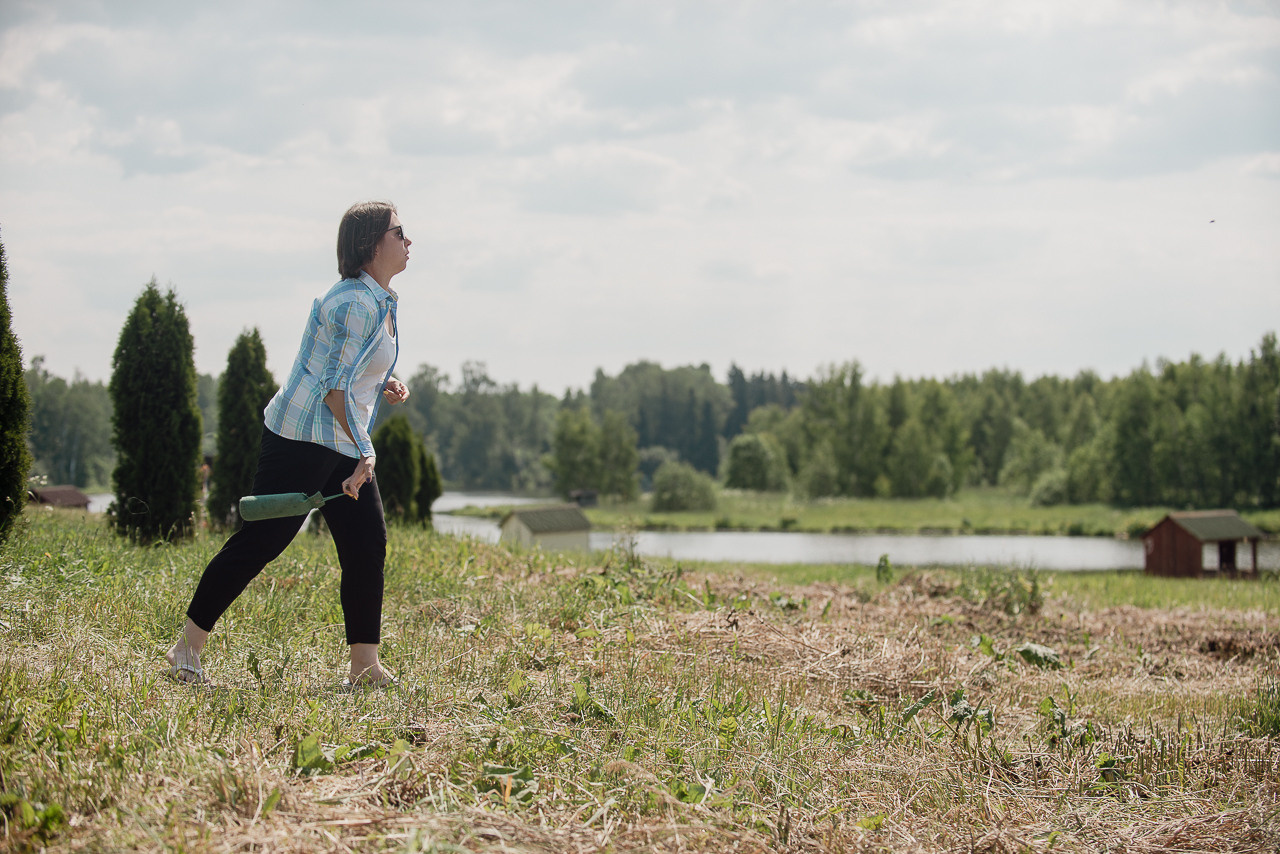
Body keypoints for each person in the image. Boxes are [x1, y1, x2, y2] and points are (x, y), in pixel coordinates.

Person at [166, 200, 412, 689]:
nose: (409, 241)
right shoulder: (353, 304)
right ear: (370, 245)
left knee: (367, 544)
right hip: (302, 437)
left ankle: (364, 666)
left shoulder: (379, 300)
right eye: (399, 231)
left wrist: (385, 380)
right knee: (263, 541)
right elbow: (332, 390)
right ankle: (185, 649)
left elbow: (348, 371)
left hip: (341, 437)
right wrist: (367, 452)